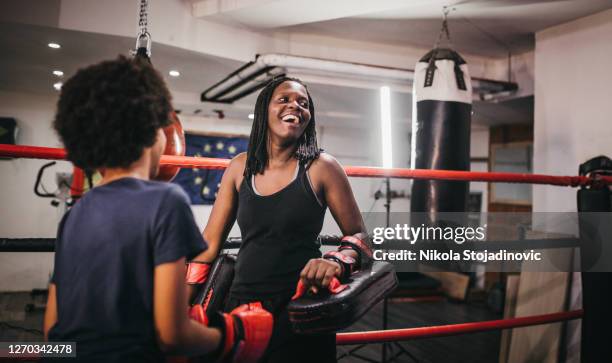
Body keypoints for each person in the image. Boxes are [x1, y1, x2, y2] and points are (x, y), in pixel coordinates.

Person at [43, 55, 271, 363]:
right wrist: (232, 335)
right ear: (156, 133)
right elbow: (172, 335)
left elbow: (51, 331)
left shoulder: (75, 215)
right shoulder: (166, 202)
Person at [191, 76, 371, 363]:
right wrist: (180, 302)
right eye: (285, 99)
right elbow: (209, 244)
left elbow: (361, 238)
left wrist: (336, 261)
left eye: (304, 103)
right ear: (265, 110)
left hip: (301, 305)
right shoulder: (240, 167)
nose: (296, 106)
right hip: (241, 305)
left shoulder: (322, 167)